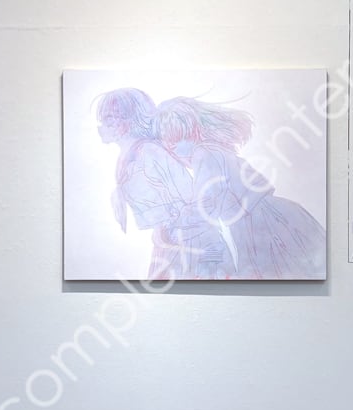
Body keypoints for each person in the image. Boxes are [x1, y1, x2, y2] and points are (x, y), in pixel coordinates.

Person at [153, 96, 327, 279]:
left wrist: (173, 225)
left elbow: (205, 204)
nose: (170, 148)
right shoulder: (212, 151)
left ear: (194, 131)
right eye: (165, 142)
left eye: (175, 139)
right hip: (263, 220)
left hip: (265, 224)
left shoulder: (203, 154)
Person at [96, 88, 231, 279]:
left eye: (110, 117)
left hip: (193, 245)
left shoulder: (150, 152)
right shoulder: (125, 160)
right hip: (167, 245)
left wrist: (176, 232)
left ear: (129, 119)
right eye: (103, 118)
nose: (103, 124)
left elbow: (192, 199)